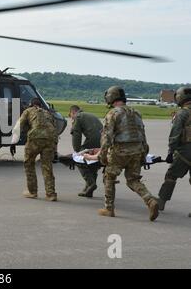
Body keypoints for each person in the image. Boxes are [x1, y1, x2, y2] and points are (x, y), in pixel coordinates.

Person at [84, 86, 159, 221]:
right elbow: (142, 134)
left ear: (110, 98)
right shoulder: (136, 112)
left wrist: (102, 155)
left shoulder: (113, 113)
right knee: (133, 180)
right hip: (137, 150)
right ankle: (150, 200)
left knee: (109, 177)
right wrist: (143, 153)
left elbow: (106, 137)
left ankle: (109, 208)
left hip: (119, 151)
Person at [15, 98, 58, 201]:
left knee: (29, 163)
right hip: (50, 139)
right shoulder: (48, 113)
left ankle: (32, 192)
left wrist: (13, 138)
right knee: (47, 166)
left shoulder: (28, 111)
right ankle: (51, 194)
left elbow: (18, 125)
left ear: (31, 104)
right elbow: (54, 128)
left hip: (35, 139)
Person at [157, 87, 191, 211]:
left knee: (171, 176)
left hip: (184, 152)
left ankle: (161, 202)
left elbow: (175, 135)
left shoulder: (182, 113)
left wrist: (170, 152)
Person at [69, 105, 103, 197]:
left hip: (93, 140)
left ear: (73, 112)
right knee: (93, 163)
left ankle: (90, 183)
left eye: (70, 115)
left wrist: (77, 151)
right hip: (103, 141)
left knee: (79, 160)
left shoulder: (78, 117)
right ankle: (89, 190)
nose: (71, 117)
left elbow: (76, 135)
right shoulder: (90, 115)